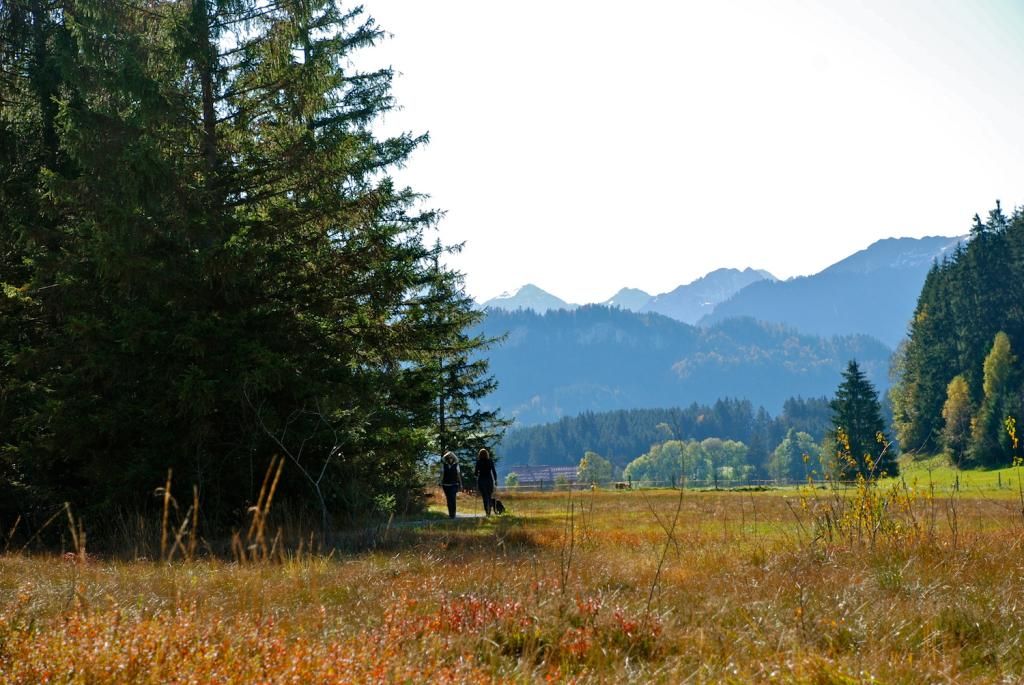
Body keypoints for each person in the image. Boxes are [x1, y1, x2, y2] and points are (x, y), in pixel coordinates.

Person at [475, 447, 498, 516]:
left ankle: (487, 511)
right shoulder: (490, 461)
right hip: (489, 480)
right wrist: (495, 480)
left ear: (479, 454)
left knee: (484, 496)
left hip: (481, 480)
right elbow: (494, 471)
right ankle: (490, 508)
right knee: (489, 495)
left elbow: (475, 473)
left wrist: (477, 474)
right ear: (487, 454)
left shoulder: (478, 462)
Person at [440, 451, 463, 519]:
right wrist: (440, 481)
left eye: (451, 458)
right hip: (446, 484)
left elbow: (458, 475)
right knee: (448, 499)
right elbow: (442, 474)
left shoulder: (456, 465)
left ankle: (453, 513)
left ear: (453, 458)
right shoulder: (444, 465)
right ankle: (450, 513)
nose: (450, 459)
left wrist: (461, 484)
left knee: (453, 498)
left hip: (454, 484)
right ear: (447, 459)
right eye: (449, 458)